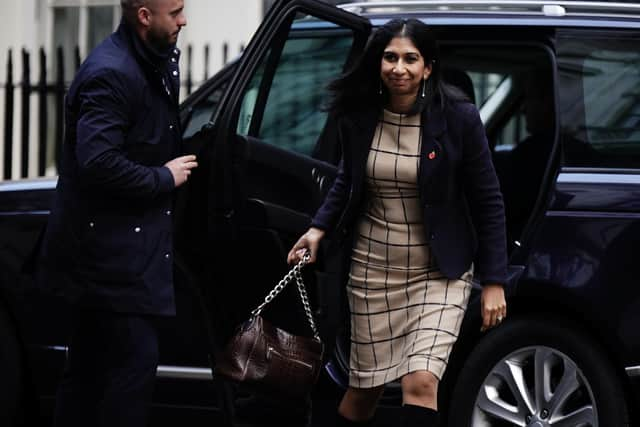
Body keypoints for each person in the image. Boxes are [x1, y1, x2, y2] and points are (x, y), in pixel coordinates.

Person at [288, 19, 508, 427]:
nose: (399, 68)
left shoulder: (458, 118)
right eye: (390, 57)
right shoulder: (359, 118)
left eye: (411, 59)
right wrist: (318, 227)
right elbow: (348, 179)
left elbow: (488, 199)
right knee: (363, 391)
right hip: (374, 272)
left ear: (428, 67)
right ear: (378, 62)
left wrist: (495, 279)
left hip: (439, 273)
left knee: (422, 382)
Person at [36, 1, 194, 426]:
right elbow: (98, 161)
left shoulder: (152, 58)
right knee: (126, 374)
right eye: (175, 11)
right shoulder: (113, 72)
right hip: (112, 262)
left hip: (116, 255)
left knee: (88, 374)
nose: (184, 19)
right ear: (144, 16)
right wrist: (164, 178)